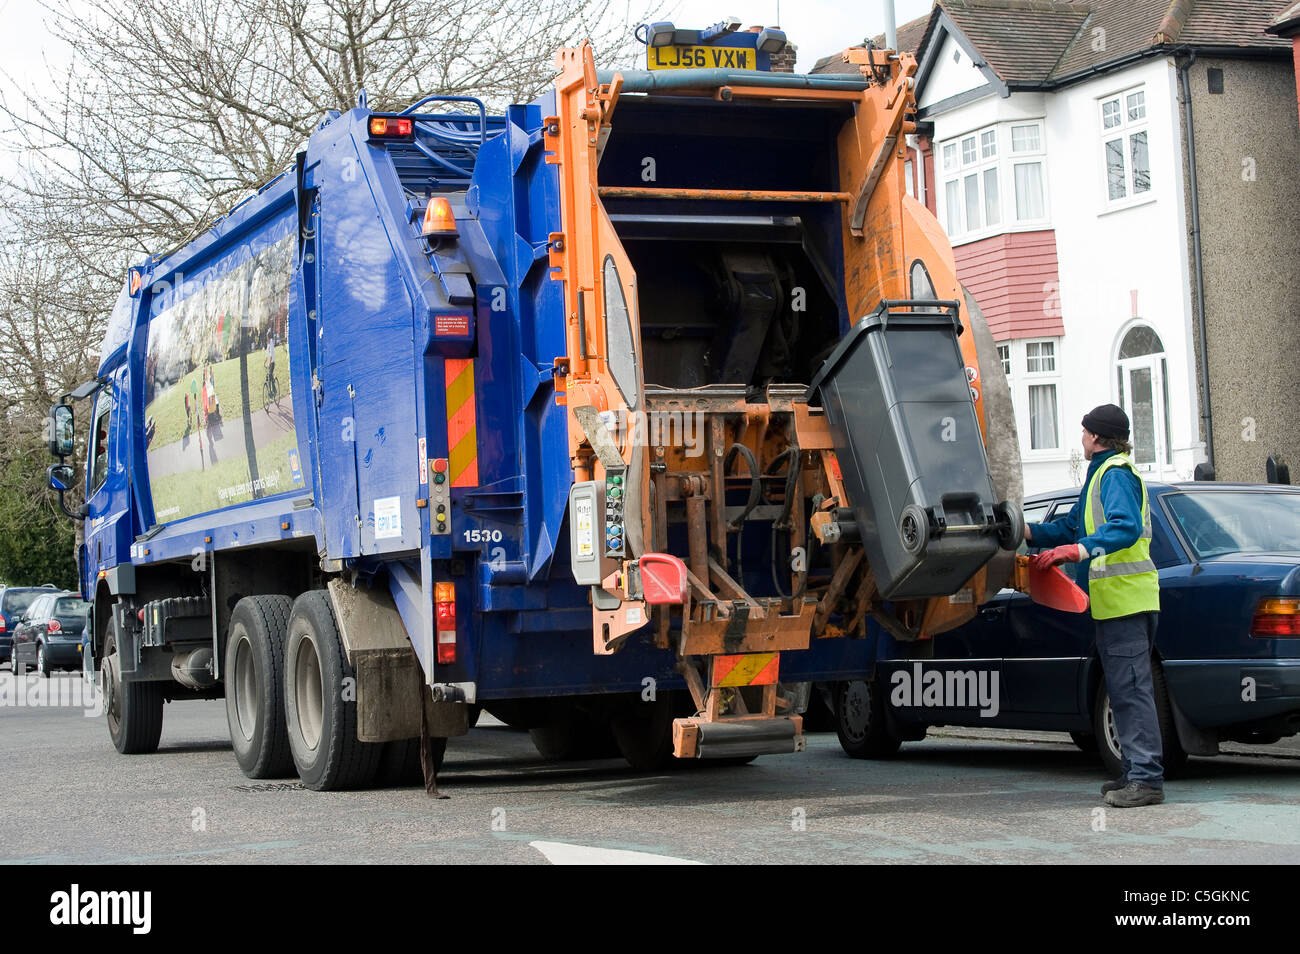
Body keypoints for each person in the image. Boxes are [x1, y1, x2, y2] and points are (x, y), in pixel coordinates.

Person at [1025, 404, 1164, 808]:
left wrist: (1078, 551)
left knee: (1132, 690)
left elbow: (1123, 528)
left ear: (1098, 437)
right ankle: (1136, 772)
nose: (1081, 438)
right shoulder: (1100, 473)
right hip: (1116, 602)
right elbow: (1069, 527)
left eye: (1085, 432)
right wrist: (1027, 530)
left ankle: (1146, 779)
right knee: (1123, 691)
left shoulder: (1116, 473)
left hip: (1126, 602)